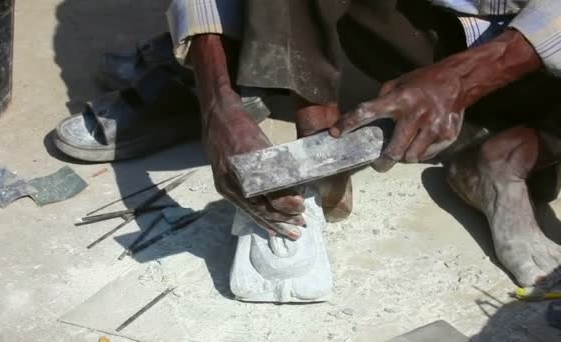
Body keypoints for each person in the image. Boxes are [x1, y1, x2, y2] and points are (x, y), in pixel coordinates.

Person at [168, 0, 561, 287]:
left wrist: (467, 76)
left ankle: (512, 154)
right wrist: (217, 103)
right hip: (406, 24)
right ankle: (318, 140)